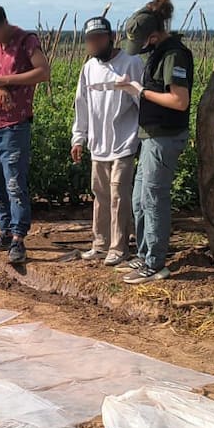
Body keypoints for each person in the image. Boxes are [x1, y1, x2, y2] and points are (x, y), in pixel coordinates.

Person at [114, 0, 195, 285]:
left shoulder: (174, 55)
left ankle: (155, 263)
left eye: (142, 43)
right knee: (139, 199)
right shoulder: (159, 53)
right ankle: (145, 253)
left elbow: (179, 100)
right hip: (150, 136)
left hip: (165, 137)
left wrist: (140, 91)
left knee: (153, 199)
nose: (140, 50)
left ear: (155, 35)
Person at [0, 4, 50, 265]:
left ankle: (18, 238)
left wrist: (7, 81)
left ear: (2, 24)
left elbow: (43, 71)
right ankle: (4, 231)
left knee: (14, 183)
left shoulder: (25, 41)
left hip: (14, 124)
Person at [70, 16, 144, 267]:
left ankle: (118, 247)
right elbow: (81, 105)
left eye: (99, 38)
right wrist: (78, 138)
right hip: (98, 144)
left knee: (118, 196)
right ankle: (100, 243)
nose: (94, 43)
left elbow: (142, 101)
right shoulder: (89, 67)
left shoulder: (131, 63)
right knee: (100, 194)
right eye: (90, 39)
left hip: (124, 141)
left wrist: (144, 136)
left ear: (112, 37)